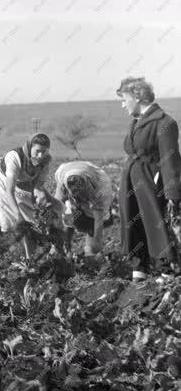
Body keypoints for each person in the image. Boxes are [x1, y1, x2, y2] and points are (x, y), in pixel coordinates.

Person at [116, 77, 181, 281]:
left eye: (124, 99)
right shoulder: (136, 122)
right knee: (134, 223)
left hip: (152, 182)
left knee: (156, 223)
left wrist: (173, 194)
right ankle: (139, 269)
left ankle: (166, 272)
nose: (123, 104)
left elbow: (170, 160)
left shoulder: (164, 122)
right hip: (132, 180)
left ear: (137, 96)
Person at [0, 133, 63, 263]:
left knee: (30, 221)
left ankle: (29, 259)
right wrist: (18, 215)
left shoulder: (45, 162)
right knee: (8, 221)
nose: (40, 155)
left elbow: (38, 186)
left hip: (25, 182)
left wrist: (41, 197)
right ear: (30, 147)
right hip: (4, 181)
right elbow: (10, 190)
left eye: (44, 152)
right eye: (37, 151)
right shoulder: (15, 158)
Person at [53, 161, 113, 256]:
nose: (78, 196)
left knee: (91, 221)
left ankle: (89, 252)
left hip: (94, 185)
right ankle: (64, 247)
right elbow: (56, 208)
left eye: (80, 193)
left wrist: (97, 240)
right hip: (69, 172)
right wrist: (55, 241)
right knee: (68, 214)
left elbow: (99, 215)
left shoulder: (100, 187)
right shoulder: (63, 184)